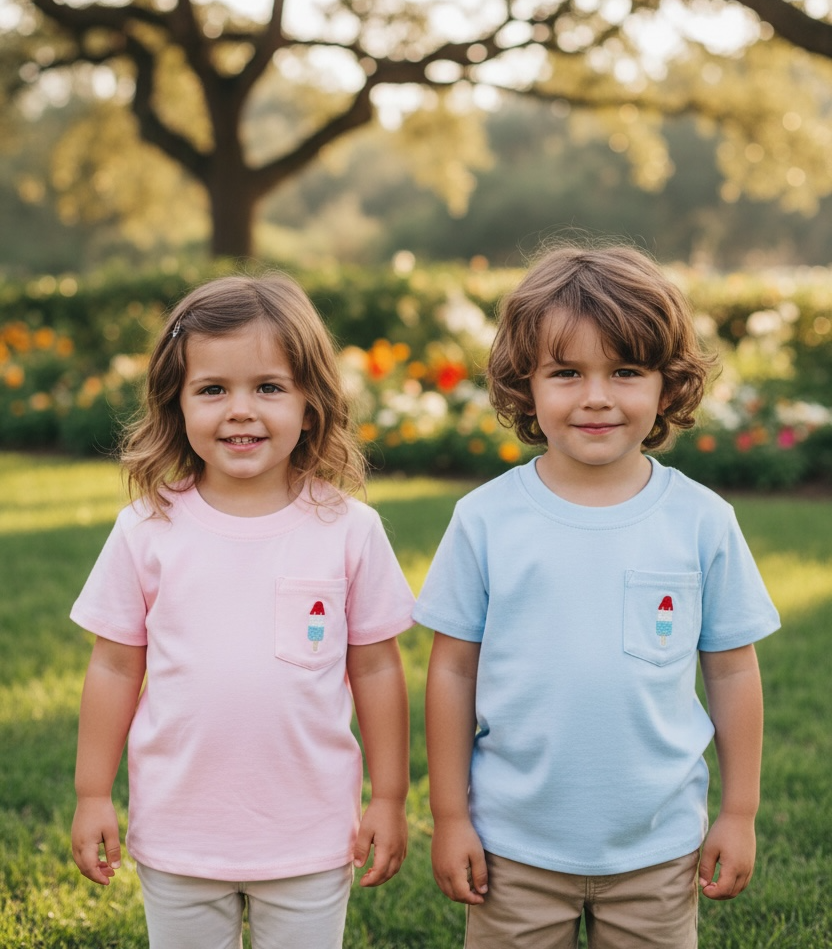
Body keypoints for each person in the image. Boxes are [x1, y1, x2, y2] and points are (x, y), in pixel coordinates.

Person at [413, 242, 780, 949]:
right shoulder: (486, 519)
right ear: (525, 386)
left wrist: (740, 812)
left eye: (626, 371)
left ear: (668, 386)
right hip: (512, 845)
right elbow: (453, 669)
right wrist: (451, 816)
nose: (597, 396)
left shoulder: (702, 521)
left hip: (658, 846)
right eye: (566, 373)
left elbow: (732, 670)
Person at [70, 273, 414, 949]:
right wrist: (91, 794)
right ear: (177, 404)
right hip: (180, 829)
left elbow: (375, 668)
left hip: (311, 830)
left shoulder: (349, 530)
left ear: (311, 404)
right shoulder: (145, 530)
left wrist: (390, 797)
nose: (240, 410)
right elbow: (113, 668)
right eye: (212, 389)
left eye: (268, 387)